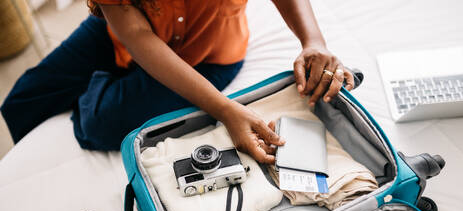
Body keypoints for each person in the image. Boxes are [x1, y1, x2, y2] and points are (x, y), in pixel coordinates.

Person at [0, 0, 354, 164]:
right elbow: (137, 35)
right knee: (21, 101)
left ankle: (103, 86)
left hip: (208, 57)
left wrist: (313, 41)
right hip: (125, 34)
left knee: (98, 124)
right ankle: (110, 80)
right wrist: (225, 110)